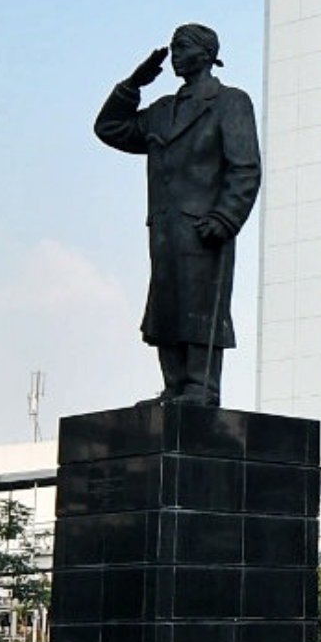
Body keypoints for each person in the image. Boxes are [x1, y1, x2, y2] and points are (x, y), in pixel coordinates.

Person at [92, 23, 263, 407]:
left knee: (201, 303)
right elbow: (109, 128)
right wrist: (132, 84)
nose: (175, 53)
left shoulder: (230, 102)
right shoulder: (160, 112)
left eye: (182, 46)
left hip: (204, 225)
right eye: (173, 46)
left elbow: (245, 167)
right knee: (166, 306)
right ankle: (174, 386)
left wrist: (226, 217)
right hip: (165, 227)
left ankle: (201, 388)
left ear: (206, 53)